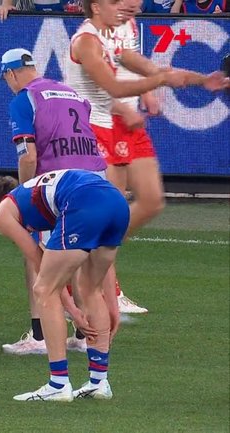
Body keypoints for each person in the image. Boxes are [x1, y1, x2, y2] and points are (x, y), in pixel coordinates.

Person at [66, 0, 229, 322]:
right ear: (98, 6)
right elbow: (111, 85)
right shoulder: (87, 40)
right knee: (107, 212)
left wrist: (200, 80)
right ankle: (91, 293)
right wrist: (158, 82)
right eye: (122, 2)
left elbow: (142, 65)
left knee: (150, 201)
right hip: (94, 127)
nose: (134, 7)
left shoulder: (118, 30)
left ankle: (89, 278)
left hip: (121, 122)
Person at [0, 170, 129, 401]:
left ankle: (58, 383)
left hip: (84, 200)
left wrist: (73, 312)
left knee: (42, 290)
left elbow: (41, 270)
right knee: (90, 289)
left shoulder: (3, 213)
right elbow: (103, 272)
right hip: (117, 203)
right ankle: (98, 383)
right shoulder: (43, 204)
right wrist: (111, 305)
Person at [0, 47, 107, 355]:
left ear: (11, 73)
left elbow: (29, 155)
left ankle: (40, 336)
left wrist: (24, 192)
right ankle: (86, 337)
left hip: (59, 185)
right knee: (78, 258)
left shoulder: (24, 99)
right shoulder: (70, 93)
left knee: (37, 256)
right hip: (97, 179)